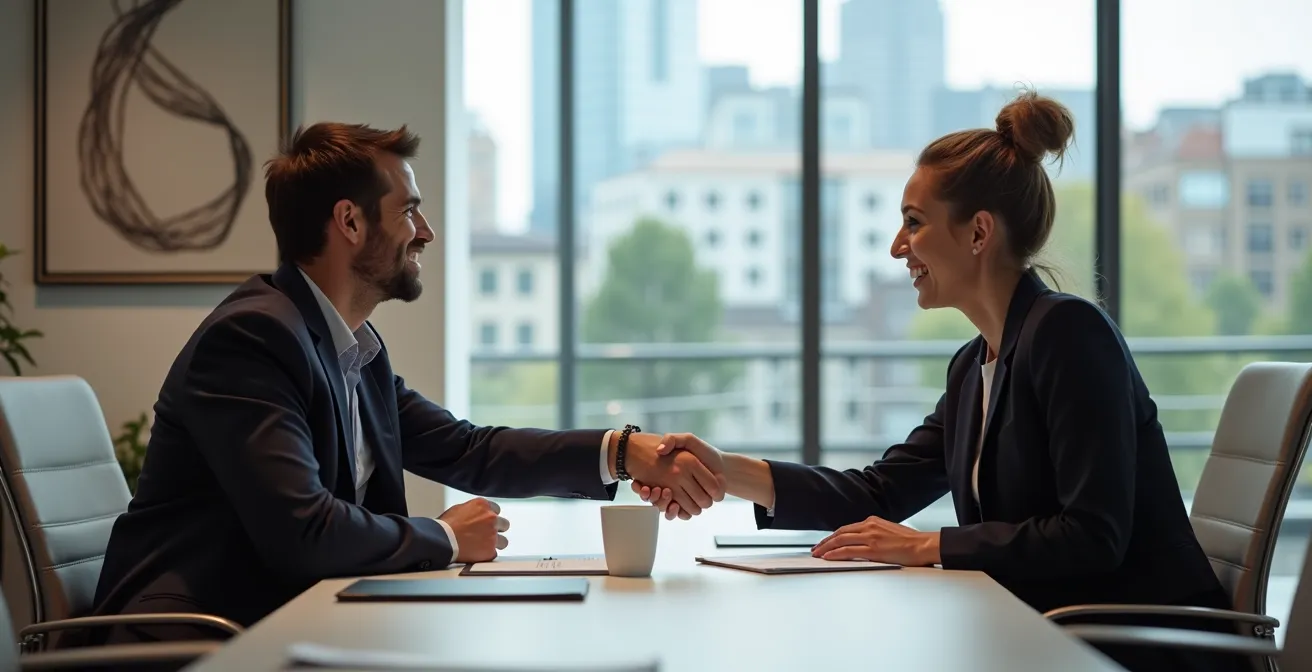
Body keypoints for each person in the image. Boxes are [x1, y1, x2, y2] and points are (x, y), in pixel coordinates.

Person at [635, 92, 1244, 672]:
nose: (897, 247)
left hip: (1135, 649)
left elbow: (1091, 537)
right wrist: (723, 470)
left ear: (978, 233)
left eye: (914, 223)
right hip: (1043, 634)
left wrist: (930, 545)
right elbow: (878, 494)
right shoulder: (974, 367)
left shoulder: (1069, 334)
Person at [84, 123, 725, 645]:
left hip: (294, 620)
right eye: (410, 211)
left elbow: (468, 449)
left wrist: (622, 452)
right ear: (350, 222)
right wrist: (445, 536)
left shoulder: (352, 348)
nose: (426, 232)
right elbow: (304, 530)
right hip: (197, 640)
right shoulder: (253, 339)